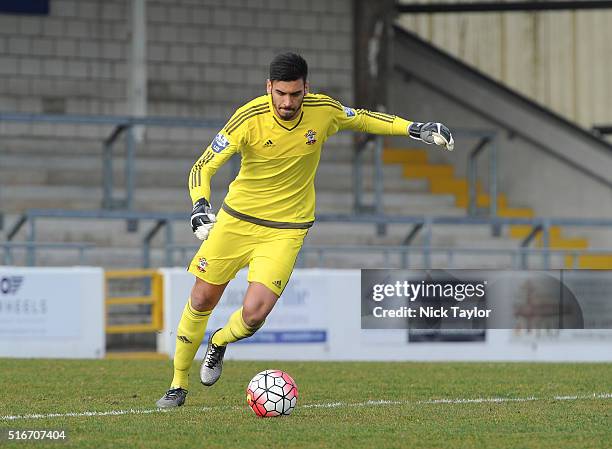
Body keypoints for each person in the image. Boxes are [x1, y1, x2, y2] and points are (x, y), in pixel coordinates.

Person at [156, 52, 453, 407]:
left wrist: (415, 128)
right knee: (202, 298)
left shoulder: (322, 110)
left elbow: (363, 119)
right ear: (269, 87)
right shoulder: (247, 118)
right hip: (236, 221)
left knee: (254, 315)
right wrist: (200, 206)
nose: (287, 102)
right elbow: (203, 167)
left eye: (295, 94)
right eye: (280, 93)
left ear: (305, 89)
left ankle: (219, 341)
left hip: (286, 229)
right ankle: (178, 384)